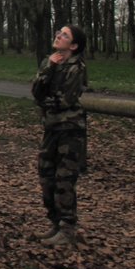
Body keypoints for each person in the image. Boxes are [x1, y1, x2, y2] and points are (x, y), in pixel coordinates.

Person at [32, 24, 88, 249]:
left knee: (64, 179)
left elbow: (64, 100)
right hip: (51, 128)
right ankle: (55, 223)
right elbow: (36, 91)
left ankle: (67, 228)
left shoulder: (77, 67)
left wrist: (44, 100)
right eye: (59, 32)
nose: (58, 35)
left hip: (69, 130)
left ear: (73, 46)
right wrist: (49, 68)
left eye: (65, 35)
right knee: (46, 175)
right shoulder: (51, 61)